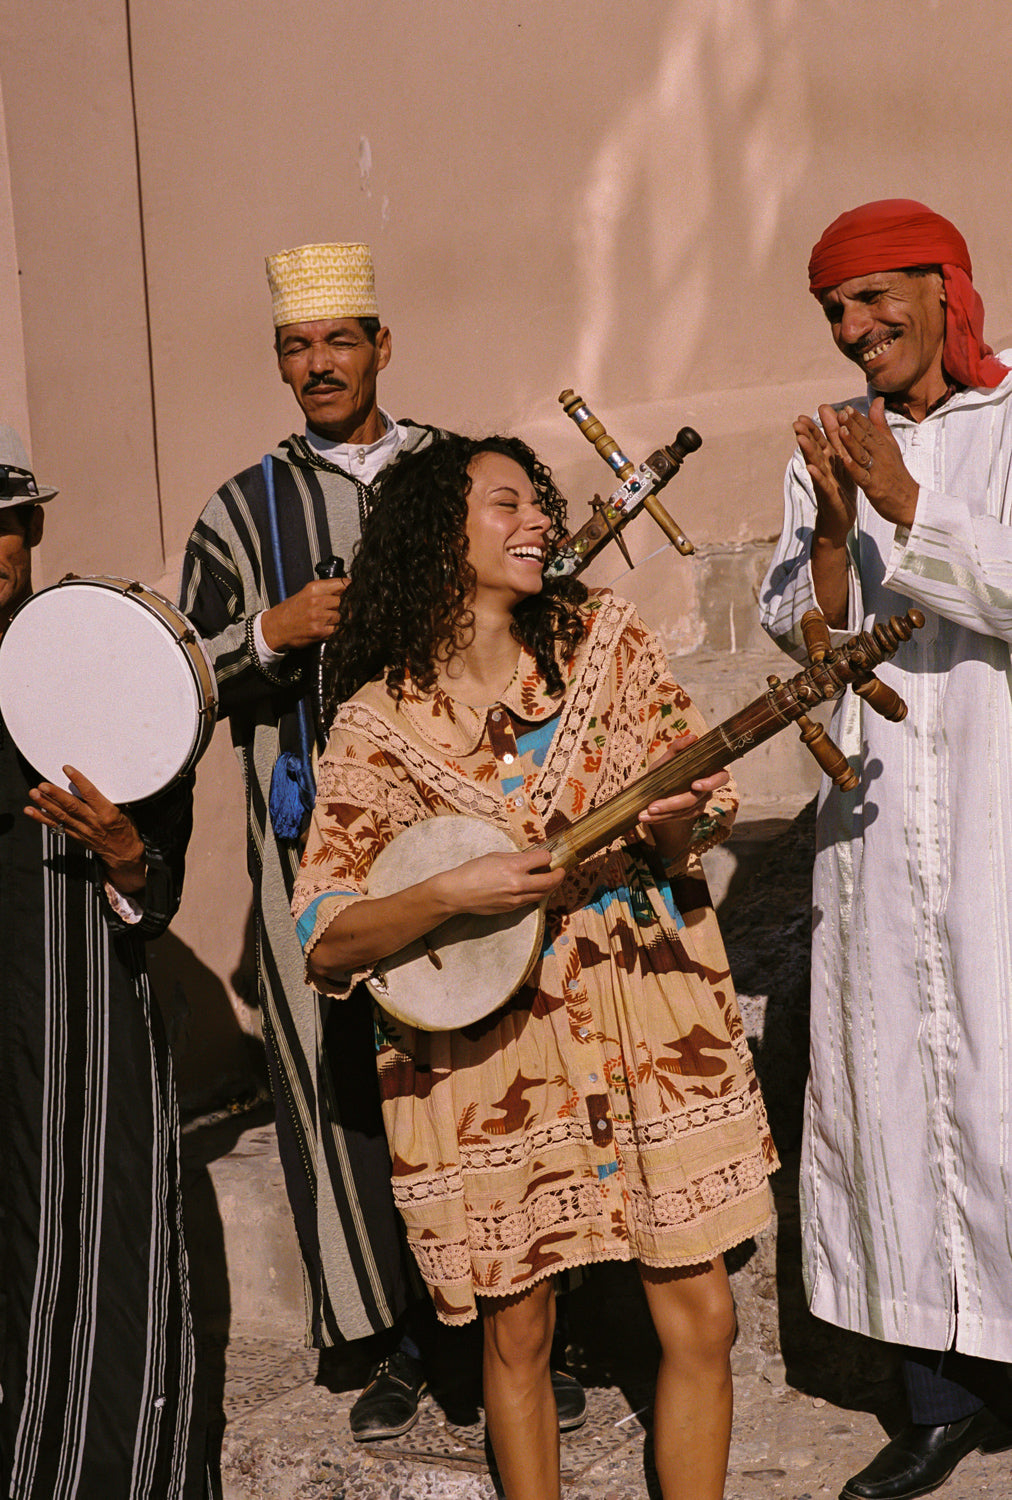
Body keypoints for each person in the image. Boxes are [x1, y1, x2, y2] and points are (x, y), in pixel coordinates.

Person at [292, 432, 778, 1500]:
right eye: (504, 503)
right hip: (492, 1061)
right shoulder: (378, 724)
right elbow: (328, 933)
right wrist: (448, 895)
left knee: (703, 1312)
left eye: (538, 504)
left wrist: (674, 821)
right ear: (439, 535)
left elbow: (692, 823)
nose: (539, 522)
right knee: (518, 1334)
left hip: (647, 1017)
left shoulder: (607, 642)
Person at [178, 244, 585, 1437]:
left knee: (495, 1069)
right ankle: (404, 1336)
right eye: (297, 347)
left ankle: (530, 1331)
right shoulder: (237, 510)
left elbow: (541, 593)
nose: (319, 364)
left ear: (381, 347)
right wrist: (269, 631)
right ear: (279, 362)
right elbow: (178, 678)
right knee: (349, 1087)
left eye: (339, 341)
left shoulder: (456, 475)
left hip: (468, 821)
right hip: (312, 845)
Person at [760, 199, 1012, 1500]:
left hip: (995, 819)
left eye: (873, 299)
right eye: (834, 312)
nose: (855, 329)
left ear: (945, 286)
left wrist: (909, 506)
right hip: (876, 827)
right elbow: (804, 638)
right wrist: (829, 526)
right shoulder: (830, 445)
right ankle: (937, 1403)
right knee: (900, 1101)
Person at [0, 428, 211, 1497]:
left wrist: (126, 855)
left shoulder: (106, 662)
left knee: (85, 1249)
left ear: (33, 526)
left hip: (74, 1030)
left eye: (1, 524)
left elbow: (156, 885)